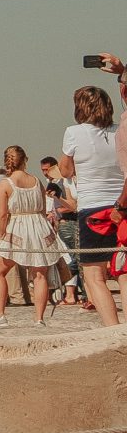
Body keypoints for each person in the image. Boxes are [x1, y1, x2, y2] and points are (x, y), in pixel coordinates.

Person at [62, 69, 124, 326]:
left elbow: (65, 170)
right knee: (123, 271)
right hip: (122, 204)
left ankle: (113, 330)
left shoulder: (74, 133)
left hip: (92, 208)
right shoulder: (120, 129)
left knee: (94, 275)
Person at [0, 146, 63, 326]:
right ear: (25, 160)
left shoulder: (5, 183)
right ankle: (38, 318)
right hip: (38, 224)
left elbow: (2, 214)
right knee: (40, 274)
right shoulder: (37, 181)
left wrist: (2, 233)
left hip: (17, 225)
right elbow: (42, 207)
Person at [42, 155, 82, 304]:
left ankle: (68, 287)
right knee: (75, 258)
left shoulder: (63, 183)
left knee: (73, 259)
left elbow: (70, 205)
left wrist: (55, 213)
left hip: (68, 222)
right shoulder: (58, 183)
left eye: (48, 170)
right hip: (63, 223)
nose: (46, 173)